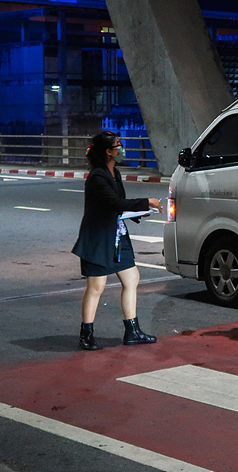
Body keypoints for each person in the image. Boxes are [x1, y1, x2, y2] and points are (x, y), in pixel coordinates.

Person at [72, 131, 162, 351]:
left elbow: (120, 203)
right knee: (96, 286)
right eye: (118, 145)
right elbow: (113, 203)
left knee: (132, 278)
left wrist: (141, 211)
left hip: (117, 234)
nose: (122, 148)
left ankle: (132, 331)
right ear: (108, 151)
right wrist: (146, 202)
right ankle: (86, 334)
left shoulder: (115, 173)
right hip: (99, 238)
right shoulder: (98, 176)